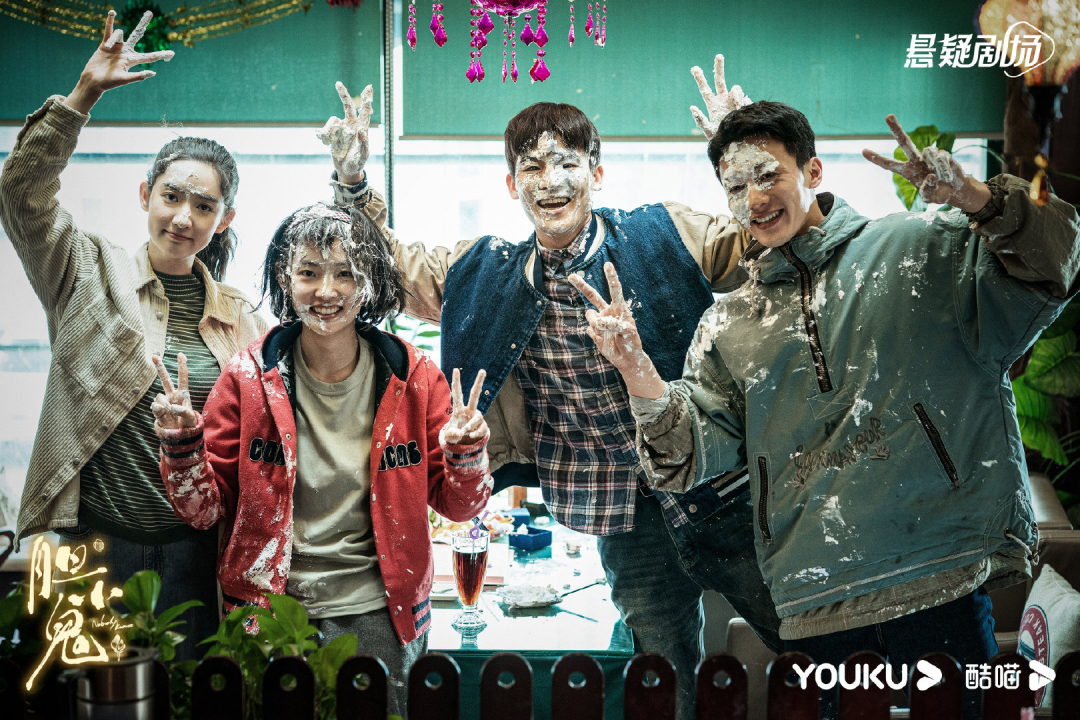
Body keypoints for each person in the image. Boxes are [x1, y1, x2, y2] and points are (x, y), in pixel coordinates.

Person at [577, 99, 1080, 719]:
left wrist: (973, 197)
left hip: (939, 577)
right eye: (735, 186)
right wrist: (636, 369)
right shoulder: (728, 325)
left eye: (768, 174)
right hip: (815, 603)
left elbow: (1055, 261)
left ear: (813, 171)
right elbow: (685, 459)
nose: (754, 198)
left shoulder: (923, 247)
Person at [314, 60, 782, 720]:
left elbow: (768, 241)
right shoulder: (485, 272)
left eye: (566, 162)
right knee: (665, 675)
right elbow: (382, 265)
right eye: (531, 166)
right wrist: (352, 181)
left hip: (720, 485)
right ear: (512, 185)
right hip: (624, 512)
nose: (550, 179)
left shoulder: (667, 232)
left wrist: (744, 150)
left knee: (806, 635)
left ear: (597, 173)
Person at [152, 200, 493, 716]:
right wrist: (181, 445)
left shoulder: (415, 377)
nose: (326, 291)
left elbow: (460, 506)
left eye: (345, 274)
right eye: (309, 273)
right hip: (266, 614)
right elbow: (203, 512)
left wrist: (466, 452)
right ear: (285, 279)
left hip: (381, 615)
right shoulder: (247, 377)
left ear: (369, 281)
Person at [1, 10, 266, 659]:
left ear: (225, 218)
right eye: (172, 196)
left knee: (195, 696)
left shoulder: (241, 319)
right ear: (145, 193)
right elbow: (22, 192)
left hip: (200, 555)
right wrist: (83, 95)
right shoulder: (87, 271)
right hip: (96, 549)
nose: (184, 217)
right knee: (95, 698)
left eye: (204, 206)